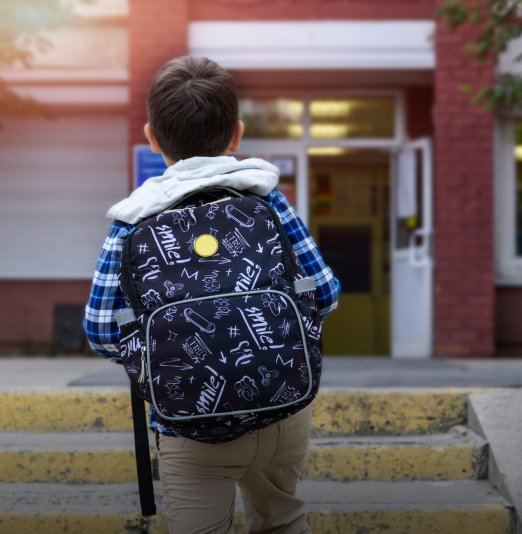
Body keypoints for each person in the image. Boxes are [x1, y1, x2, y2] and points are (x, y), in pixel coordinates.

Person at [83, 55, 340, 534]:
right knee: (283, 520)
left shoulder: (131, 221)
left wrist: (168, 353)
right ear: (237, 134)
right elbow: (323, 292)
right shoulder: (266, 198)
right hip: (281, 406)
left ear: (152, 137)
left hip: (187, 423)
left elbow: (100, 331)